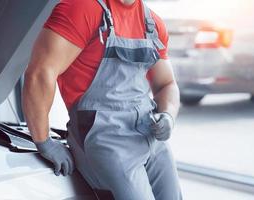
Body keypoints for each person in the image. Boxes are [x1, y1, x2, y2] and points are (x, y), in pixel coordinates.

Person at [22, 0, 182, 199]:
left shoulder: (152, 23)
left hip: (151, 136)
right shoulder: (81, 8)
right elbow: (40, 72)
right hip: (105, 139)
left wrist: (168, 115)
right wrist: (43, 141)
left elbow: (166, 84)